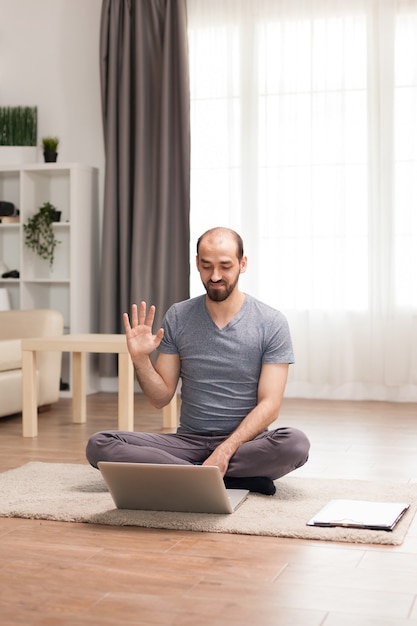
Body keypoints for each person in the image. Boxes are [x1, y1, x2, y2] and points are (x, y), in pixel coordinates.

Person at [86, 227, 310, 495]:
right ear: (197, 264)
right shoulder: (179, 316)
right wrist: (141, 359)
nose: (215, 276)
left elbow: (270, 406)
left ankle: (186, 474)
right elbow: (160, 398)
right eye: (206, 266)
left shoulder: (271, 322)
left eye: (225, 266)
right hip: (189, 442)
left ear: (243, 264)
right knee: (100, 444)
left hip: (245, 443)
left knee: (295, 444)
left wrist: (225, 450)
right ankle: (222, 477)